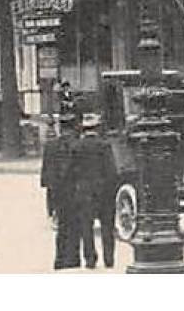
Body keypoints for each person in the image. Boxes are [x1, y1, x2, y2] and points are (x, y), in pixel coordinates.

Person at [73, 114, 118, 269]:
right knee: (107, 226)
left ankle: (90, 259)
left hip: (84, 191)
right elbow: (112, 171)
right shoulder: (104, 145)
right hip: (104, 191)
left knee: (86, 226)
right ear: (97, 128)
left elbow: (72, 171)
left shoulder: (77, 146)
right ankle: (109, 258)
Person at [41, 112, 82, 269]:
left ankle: (60, 258)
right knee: (75, 225)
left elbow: (46, 172)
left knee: (62, 225)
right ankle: (73, 258)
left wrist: (50, 195)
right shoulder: (78, 144)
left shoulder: (51, 145)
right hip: (74, 190)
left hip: (57, 191)